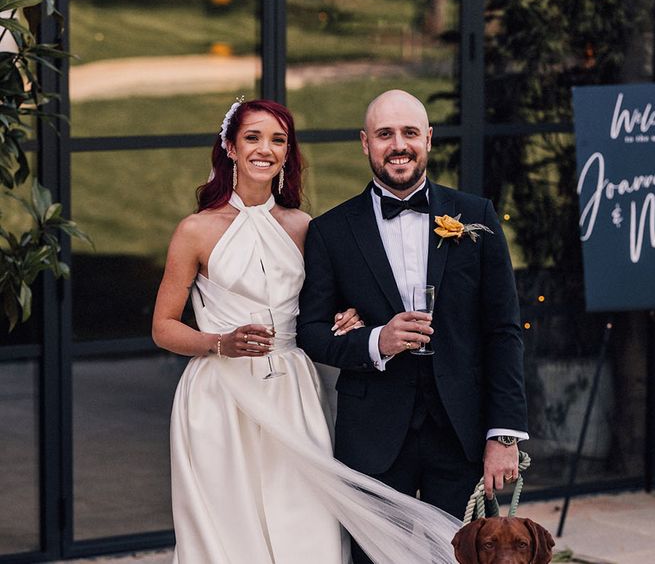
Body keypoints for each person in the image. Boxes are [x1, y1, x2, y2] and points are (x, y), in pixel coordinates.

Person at [152, 98, 462, 564]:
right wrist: (220, 342)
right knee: (227, 530)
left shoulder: (304, 227)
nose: (266, 149)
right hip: (219, 398)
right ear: (231, 149)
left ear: (288, 153)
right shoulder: (195, 230)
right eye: (252, 138)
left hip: (293, 394)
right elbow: (162, 327)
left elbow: (319, 311)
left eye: (278, 140)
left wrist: (347, 318)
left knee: (307, 525)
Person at [297, 89, 529, 563]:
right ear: (365, 143)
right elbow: (311, 331)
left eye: (408, 133)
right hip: (373, 435)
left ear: (428, 138)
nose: (397, 145)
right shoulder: (330, 231)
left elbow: (503, 330)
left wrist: (503, 435)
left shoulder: (476, 216)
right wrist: (375, 341)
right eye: (385, 134)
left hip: (461, 433)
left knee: (459, 557)